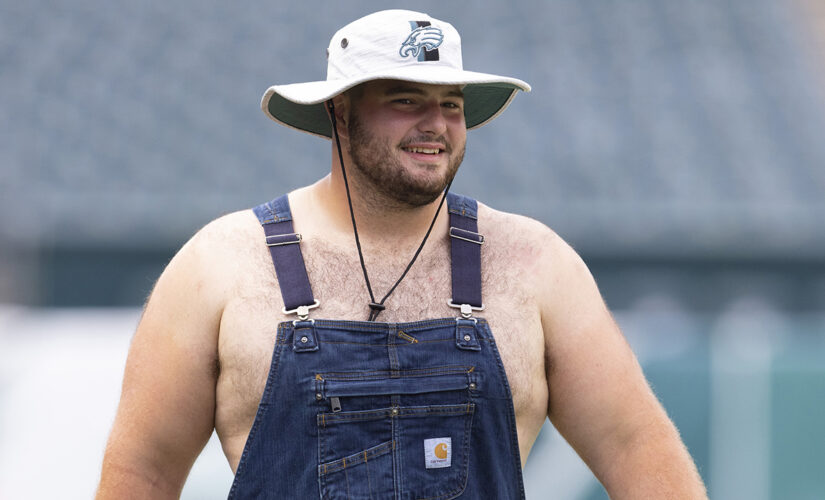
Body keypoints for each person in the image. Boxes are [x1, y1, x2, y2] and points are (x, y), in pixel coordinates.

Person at [96, 9, 707, 499]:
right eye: (407, 100)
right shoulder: (221, 266)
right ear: (339, 112)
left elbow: (635, 448)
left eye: (451, 105)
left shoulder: (535, 263)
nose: (435, 125)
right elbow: (143, 474)